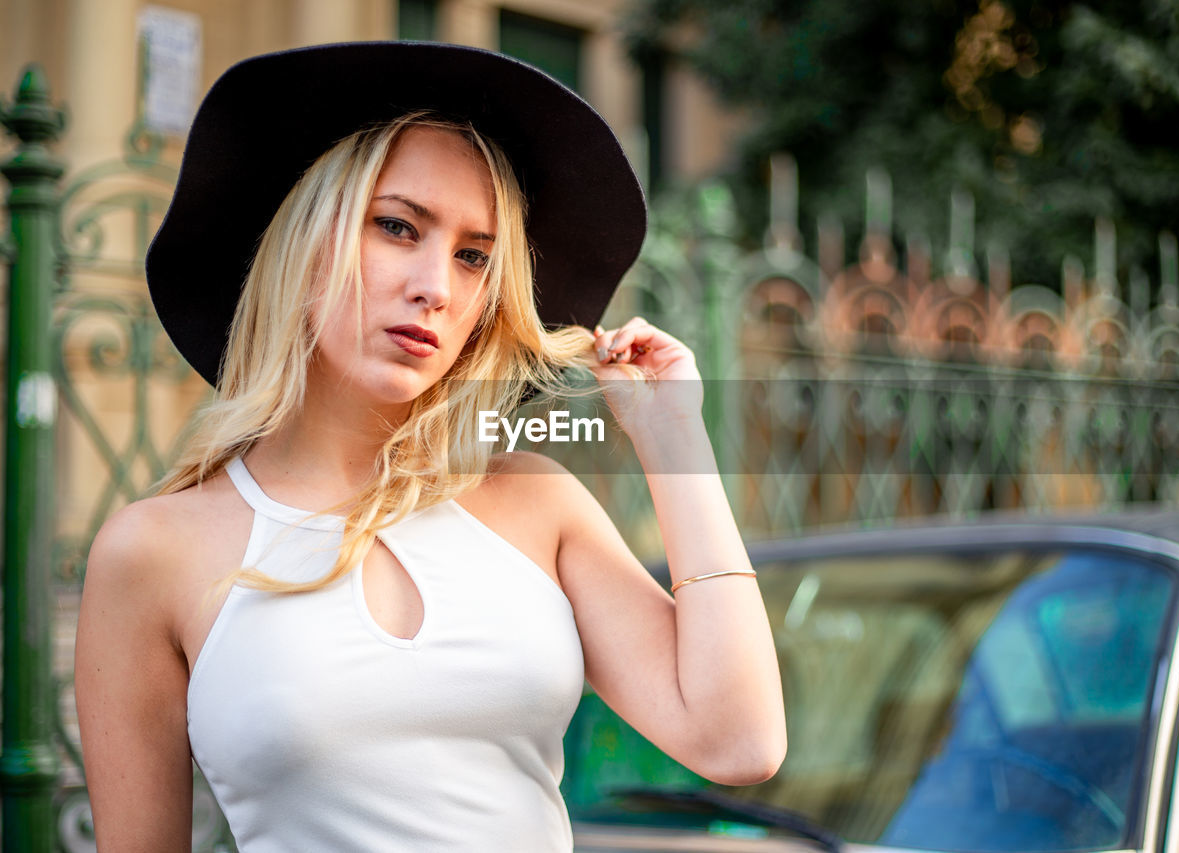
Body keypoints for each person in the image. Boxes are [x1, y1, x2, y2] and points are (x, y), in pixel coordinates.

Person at [74, 42, 785, 851]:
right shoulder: (153, 552)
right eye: (396, 226)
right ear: (305, 241)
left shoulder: (535, 503)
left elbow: (740, 741)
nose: (436, 288)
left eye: (473, 255)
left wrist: (674, 435)